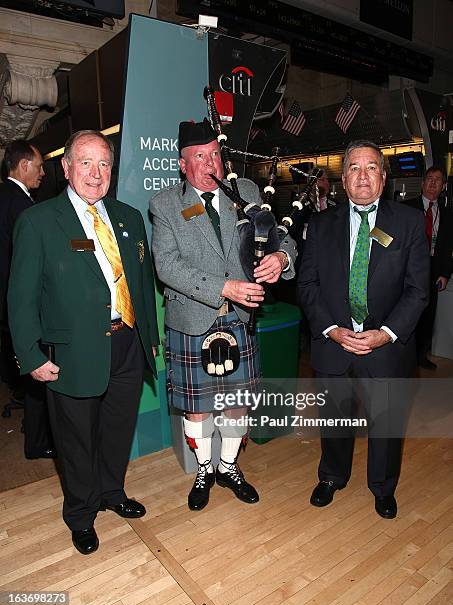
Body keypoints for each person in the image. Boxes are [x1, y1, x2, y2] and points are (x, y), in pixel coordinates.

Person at [8, 130, 159, 554]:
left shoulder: (129, 218)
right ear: (67, 167)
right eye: (86, 163)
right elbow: (20, 297)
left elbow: (142, 286)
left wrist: (149, 339)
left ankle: (112, 492)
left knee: (117, 430)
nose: (96, 173)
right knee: (75, 441)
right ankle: (81, 512)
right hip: (72, 352)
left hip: (127, 344)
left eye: (104, 164)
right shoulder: (38, 221)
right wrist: (31, 354)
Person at [150, 118, 296, 511]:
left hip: (240, 319)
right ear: (183, 164)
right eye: (199, 157)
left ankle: (228, 465)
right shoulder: (165, 205)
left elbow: (284, 239)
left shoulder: (244, 191)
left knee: (238, 401)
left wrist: (281, 258)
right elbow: (166, 265)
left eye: (215, 154)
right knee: (198, 407)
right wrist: (224, 287)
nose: (210, 164)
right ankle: (203, 468)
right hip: (193, 318)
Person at [298, 139, 429, 519]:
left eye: (371, 167)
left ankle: (383, 487)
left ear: (384, 178)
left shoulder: (406, 223)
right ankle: (332, 477)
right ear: (343, 181)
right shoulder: (321, 225)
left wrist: (386, 332)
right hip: (334, 344)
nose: (363, 176)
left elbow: (418, 290)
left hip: (386, 346)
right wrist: (332, 330)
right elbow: (307, 286)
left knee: (387, 423)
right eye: (354, 167)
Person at [0, 140, 55, 459]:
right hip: (22, 303)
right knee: (38, 368)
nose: (42, 174)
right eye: (38, 166)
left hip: (7, 303)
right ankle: (37, 441)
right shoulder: (23, 207)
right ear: (23, 166)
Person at [404, 166, 453, 369]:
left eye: (438, 180)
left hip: (434, 270)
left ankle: (421, 355)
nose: (433, 183)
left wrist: (444, 273)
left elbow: (449, 246)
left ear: (443, 186)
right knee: (407, 311)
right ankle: (404, 354)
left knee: (428, 314)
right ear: (423, 183)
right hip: (408, 268)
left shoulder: (448, 214)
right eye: (430, 179)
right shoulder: (406, 207)